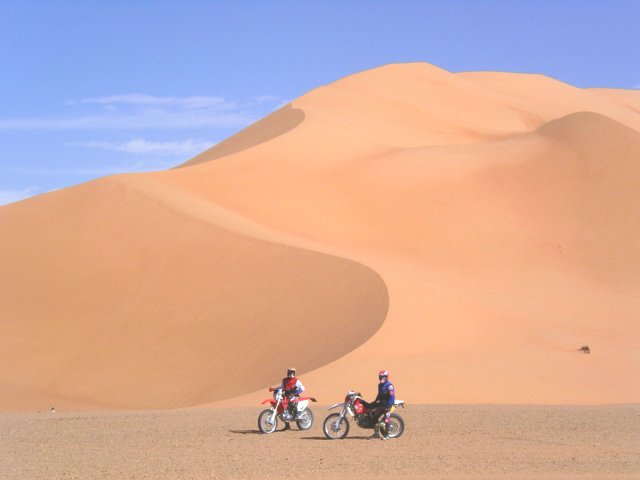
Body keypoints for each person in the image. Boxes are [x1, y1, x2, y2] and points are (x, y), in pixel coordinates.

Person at [369, 370, 395, 440]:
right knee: (374, 417)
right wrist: (375, 401)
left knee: (387, 419)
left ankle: (386, 435)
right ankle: (376, 434)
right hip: (381, 404)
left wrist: (388, 405)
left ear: (387, 377)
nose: (381, 378)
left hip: (388, 404)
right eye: (380, 377)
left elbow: (391, 395)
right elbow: (379, 394)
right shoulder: (380, 385)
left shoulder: (389, 385)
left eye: (383, 377)